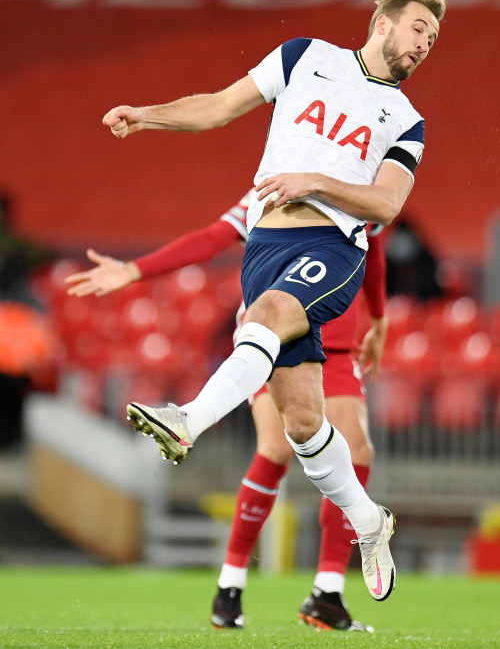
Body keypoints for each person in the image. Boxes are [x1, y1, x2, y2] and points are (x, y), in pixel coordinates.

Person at [101, 0, 446, 604]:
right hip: (265, 246)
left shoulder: (407, 121)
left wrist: (316, 180)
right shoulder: (302, 56)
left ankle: (188, 420)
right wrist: (145, 114)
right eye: (418, 29)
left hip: (333, 247)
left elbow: (387, 204)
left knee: (264, 317)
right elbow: (218, 107)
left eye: (433, 39)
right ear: (382, 22)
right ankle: (371, 522)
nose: (425, 45)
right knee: (304, 424)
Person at [65, 192, 388, 631]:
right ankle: (230, 582)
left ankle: (328, 592)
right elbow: (211, 239)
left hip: (336, 337)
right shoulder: (275, 185)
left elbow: (374, 244)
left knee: (359, 450)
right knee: (276, 449)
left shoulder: (356, 181)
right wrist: (134, 269)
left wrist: (380, 318)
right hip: (274, 333)